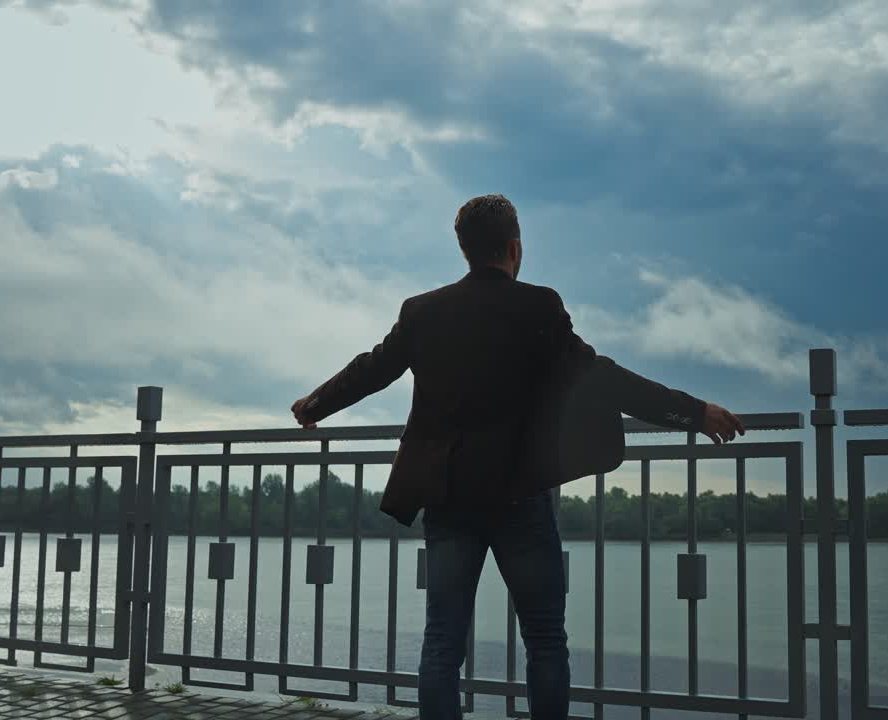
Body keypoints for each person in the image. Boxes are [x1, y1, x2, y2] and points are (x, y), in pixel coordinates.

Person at [290, 194, 745, 720]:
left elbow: (372, 369)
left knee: (442, 642)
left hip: (448, 496)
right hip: (520, 497)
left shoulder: (423, 311)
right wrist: (693, 412)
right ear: (514, 247)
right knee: (545, 639)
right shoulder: (538, 306)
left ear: (464, 250)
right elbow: (602, 378)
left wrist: (316, 403)